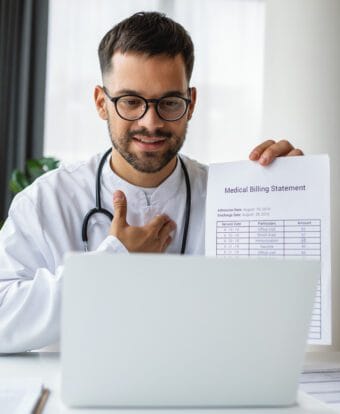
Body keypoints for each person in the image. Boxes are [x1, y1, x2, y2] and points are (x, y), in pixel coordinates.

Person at [0, 12, 303, 353]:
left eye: (169, 102)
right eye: (131, 101)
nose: (151, 122)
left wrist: (289, 197)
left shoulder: (230, 199)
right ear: (102, 103)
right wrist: (114, 262)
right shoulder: (47, 201)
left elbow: (279, 312)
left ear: (191, 104)